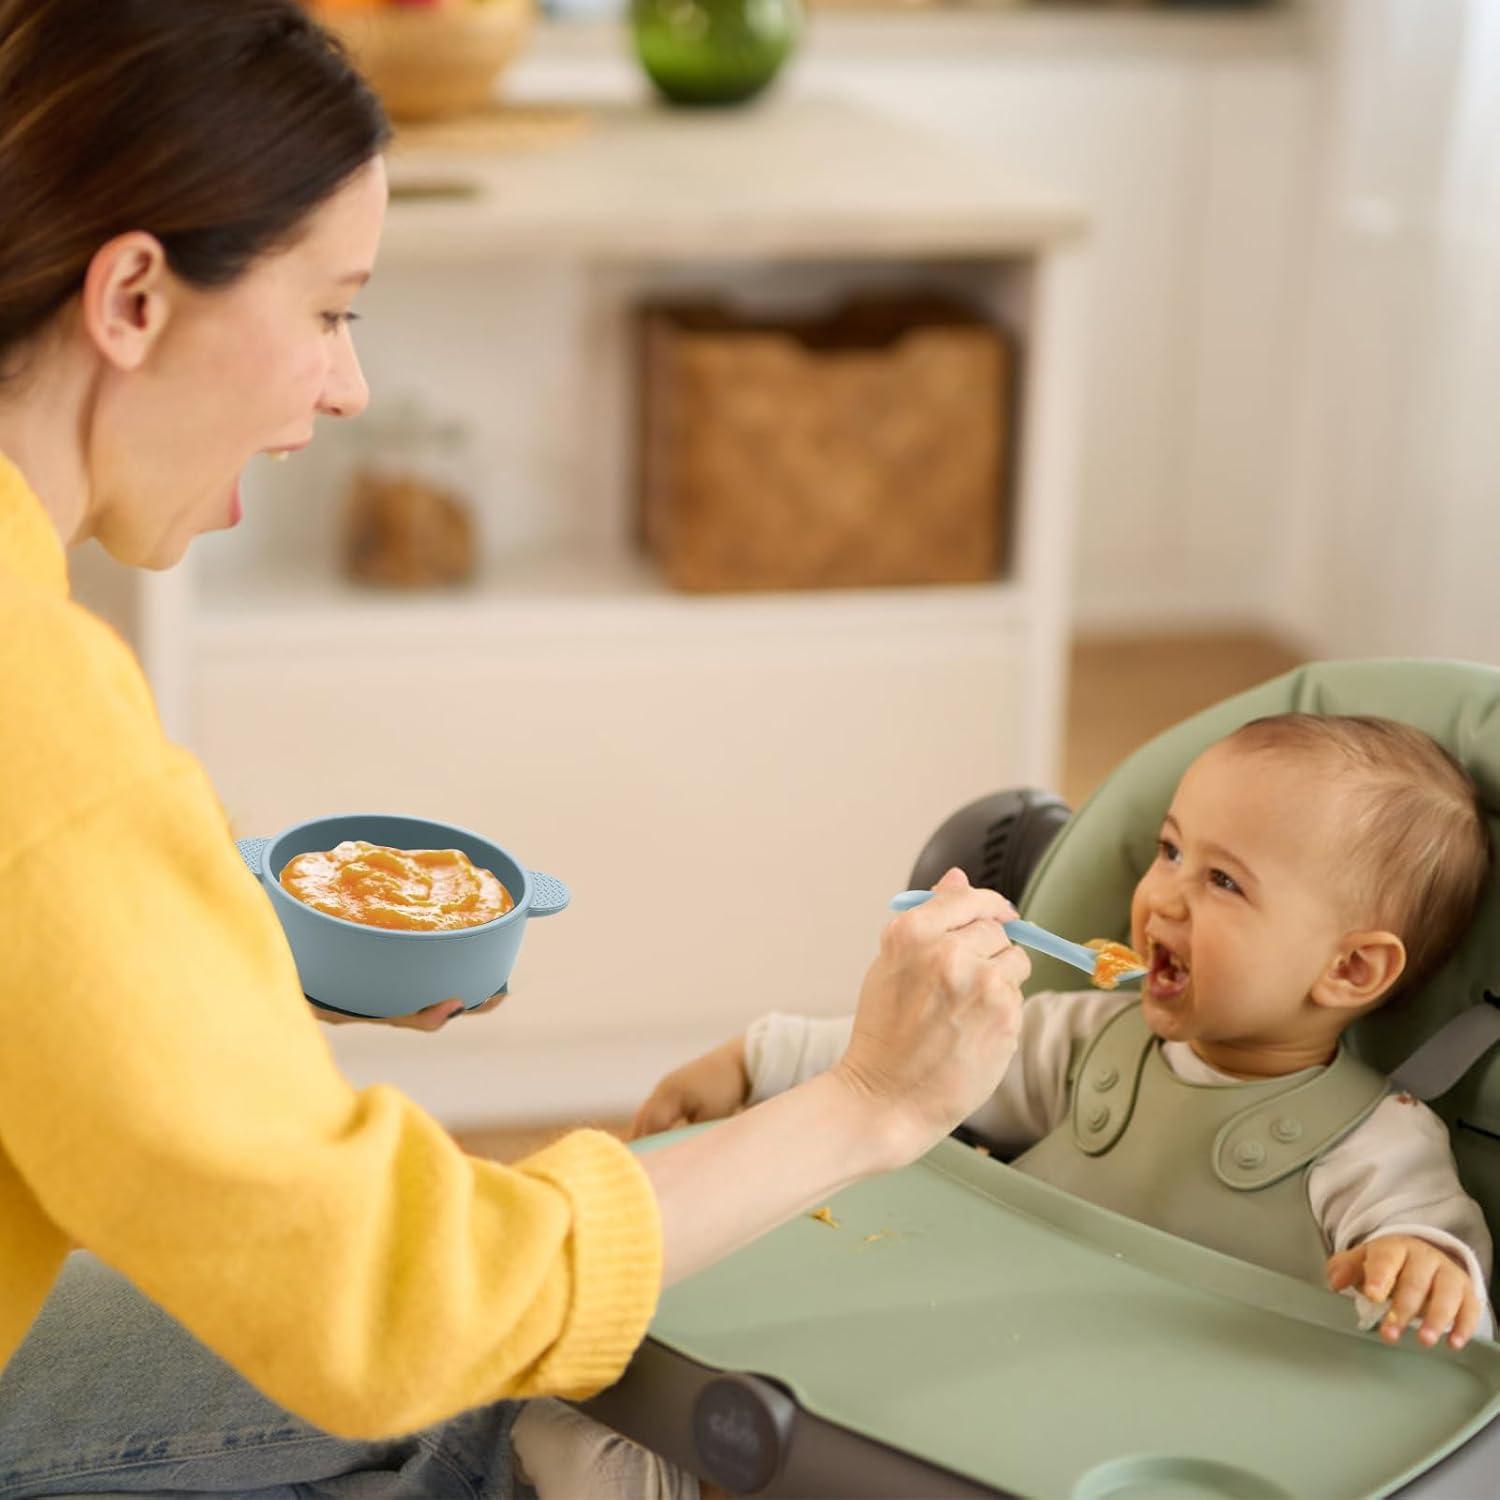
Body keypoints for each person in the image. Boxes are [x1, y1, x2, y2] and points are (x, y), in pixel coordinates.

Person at [0, 2, 1032, 1494]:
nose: (347, 389)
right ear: (137, 300)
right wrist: (871, 1104)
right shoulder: (50, 726)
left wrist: (212, 946)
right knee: (468, 1390)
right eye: (331, 309)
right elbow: (404, 1305)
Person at [525, 713, 1495, 1499]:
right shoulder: (1090, 1041)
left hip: (1124, 1449)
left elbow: (1445, 1289)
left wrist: (1419, 1264)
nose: (1161, 896)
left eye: (1223, 880)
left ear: (1352, 967)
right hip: (955, 1385)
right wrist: (754, 1060)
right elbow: (906, 1064)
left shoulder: (1370, 1137)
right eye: (1166, 850)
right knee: (569, 1409)